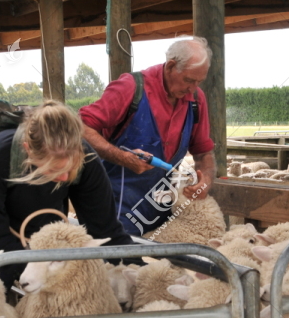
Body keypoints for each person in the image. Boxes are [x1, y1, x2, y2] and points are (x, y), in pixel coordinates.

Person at [0, 100, 136, 289]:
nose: (65, 177)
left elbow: (105, 229)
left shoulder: (87, 160)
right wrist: (42, 266)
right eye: (55, 170)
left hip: (39, 233)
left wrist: (141, 270)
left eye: (70, 168)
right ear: (28, 149)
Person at [79, 37, 217, 236]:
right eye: (188, 80)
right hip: (114, 208)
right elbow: (81, 126)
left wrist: (206, 181)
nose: (193, 88)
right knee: (119, 265)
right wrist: (121, 157)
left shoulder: (195, 100)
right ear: (170, 66)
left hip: (159, 211)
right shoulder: (131, 88)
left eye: (198, 82)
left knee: (157, 265)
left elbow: (204, 152)